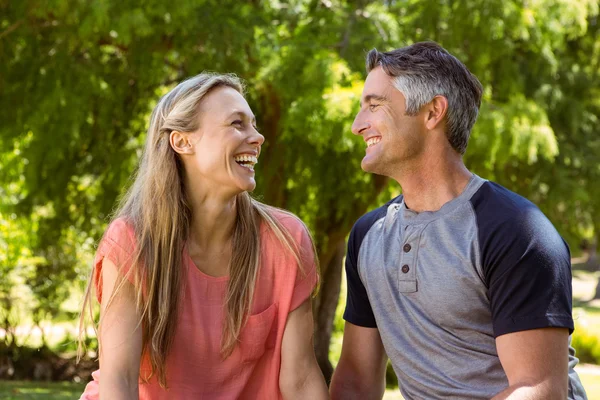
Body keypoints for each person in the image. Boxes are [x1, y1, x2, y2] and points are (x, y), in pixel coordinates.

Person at [329, 42, 588, 399]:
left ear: (433, 112)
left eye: (374, 105)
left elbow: (538, 389)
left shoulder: (515, 231)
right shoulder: (368, 236)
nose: (359, 125)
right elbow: (356, 381)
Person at [77, 72, 329, 399]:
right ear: (183, 141)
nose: (257, 137)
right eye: (237, 124)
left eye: (254, 124)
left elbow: (300, 379)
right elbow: (119, 381)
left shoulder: (286, 240)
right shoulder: (132, 242)